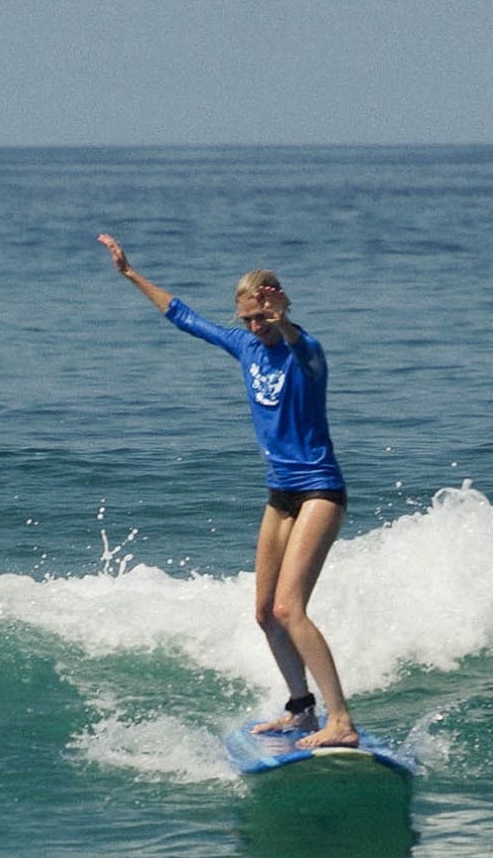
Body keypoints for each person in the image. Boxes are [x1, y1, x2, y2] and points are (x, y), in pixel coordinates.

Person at [98, 232, 358, 749]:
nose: (255, 327)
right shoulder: (243, 345)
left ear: (279, 305)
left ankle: (341, 721)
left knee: (290, 609)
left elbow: (296, 344)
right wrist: (130, 275)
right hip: (280, 495)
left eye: (263, 317)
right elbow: (183, 316)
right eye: (249, 319)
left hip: (320, 491)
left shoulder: (306, 351)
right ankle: (301, 710)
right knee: (264, 612)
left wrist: (282, 319)